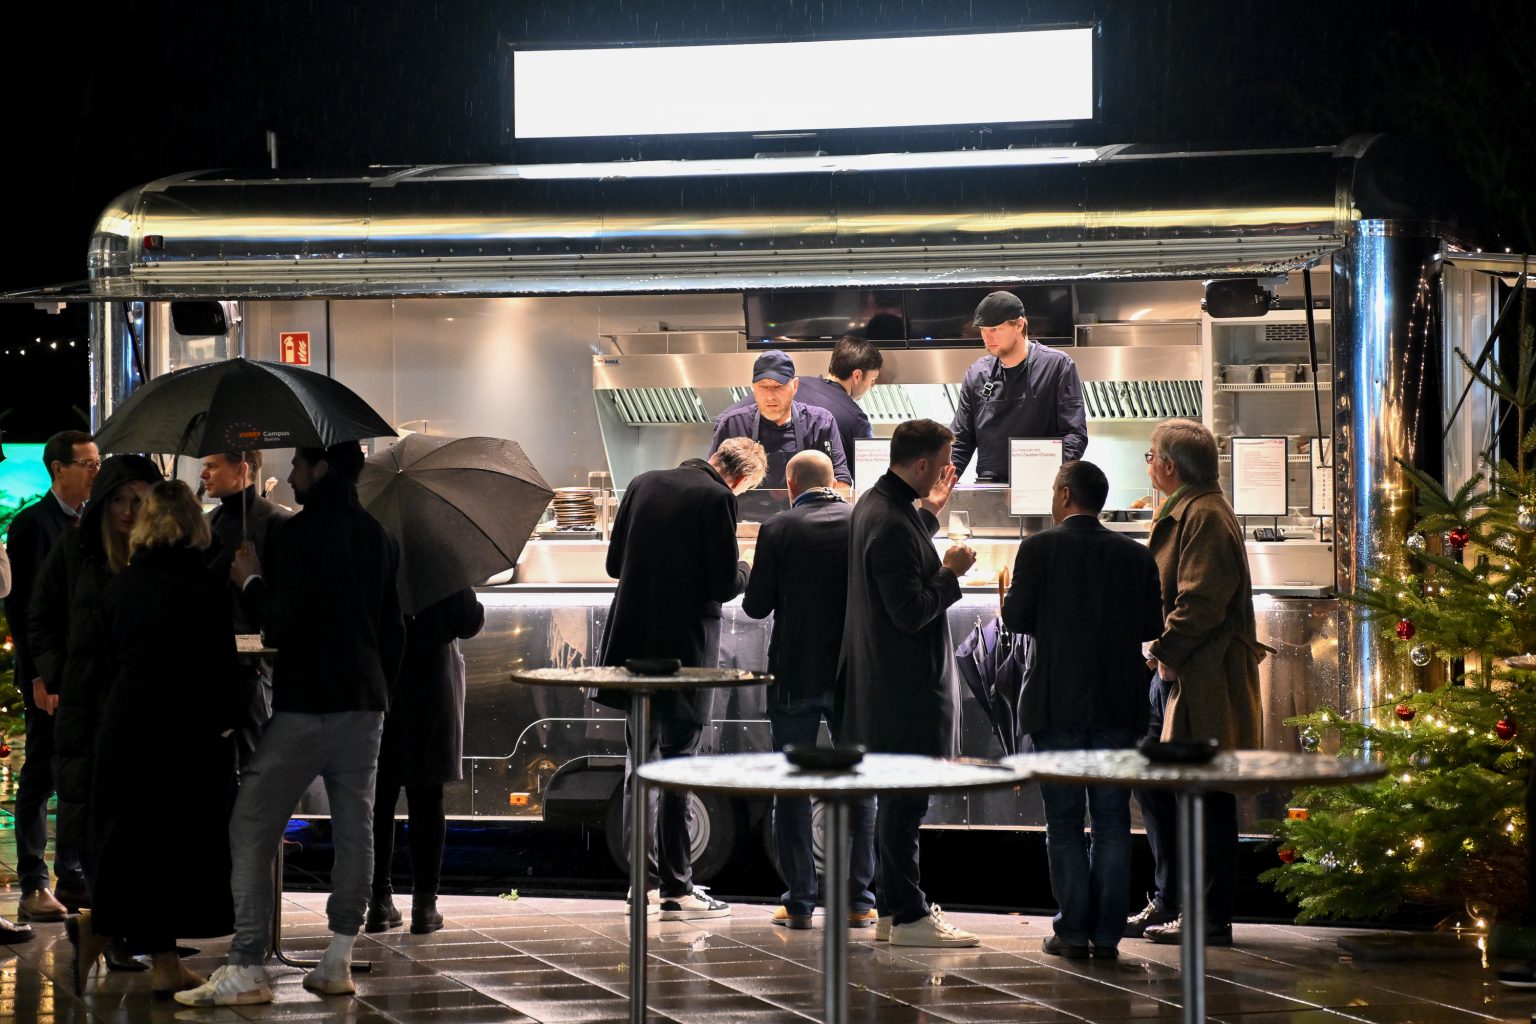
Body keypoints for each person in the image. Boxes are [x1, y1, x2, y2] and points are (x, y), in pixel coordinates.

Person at [178, 441, 403, 1006]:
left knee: (251, 822)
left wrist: (250, 581)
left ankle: (247, 963)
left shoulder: (300, 535)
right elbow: (391, 629)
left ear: (321, 469)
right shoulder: (379, 537)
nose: (293, 475)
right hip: (366, 705)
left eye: (299, 466)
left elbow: (281, 626)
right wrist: (380, 695)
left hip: (308, 704)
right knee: (356, 826)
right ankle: (337, 958)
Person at [593, 437, 767, 921]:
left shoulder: (642, 483)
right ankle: (676, 887)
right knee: (678, 766)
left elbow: (613, 566)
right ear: (740, 478)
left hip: (631, 647)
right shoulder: (718, 499)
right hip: (684, 653)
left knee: (639, 765)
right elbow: (720, 584)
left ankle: (640, 885)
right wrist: (747, 567)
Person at [82, 481, 241, 995]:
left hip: (127, 725)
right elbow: (219, 664)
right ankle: (125, 942)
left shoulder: (122, 584)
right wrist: (230, 722)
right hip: (186, 731)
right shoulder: (206, 585)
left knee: (136, 841)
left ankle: (157, 958)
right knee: (179, 847)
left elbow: (108, 656)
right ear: (197, 523)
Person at [1001, 460, 1163, 960]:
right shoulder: (1135, 556)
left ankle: (1072, 931)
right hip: (1119, 701)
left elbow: (1019, 618)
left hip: (1056, 702)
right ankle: (1108, 934)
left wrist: (1008, 595)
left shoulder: (1038, 549)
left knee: (1065, 820)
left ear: (1066, 494)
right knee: (1113, 818)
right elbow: (1149, 625)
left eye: (1054, 490)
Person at [839, 418, 979, 947]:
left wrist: (932, 516)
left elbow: (899, 558)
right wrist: (951, 573)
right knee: (904, 807)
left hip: (882, 685)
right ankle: (908, 918)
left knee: (895, 804)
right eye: (942, 463)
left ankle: (897, 912)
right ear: (921, 464)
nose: (946, 471)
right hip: (903, 690)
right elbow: (908, 609)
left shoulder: (877, 506)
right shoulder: (892, 521)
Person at [1130, 419, 1267, 948]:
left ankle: (1208, 916)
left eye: (1151, 456)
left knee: (1206, 798)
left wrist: (1164, 653)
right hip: (1177, 673)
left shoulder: (1205, 515)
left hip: (1199, 676)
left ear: (1168, 466)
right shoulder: (1186, 509)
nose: (1149, 464)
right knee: (1156, 784)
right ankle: (1172, 901)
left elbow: (1201, 601)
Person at [30, 454, 163, 973]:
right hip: (89, 701)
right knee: (94, 815)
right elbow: (40, 614)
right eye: (121, 499)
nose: (130, 510)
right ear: (105, 499)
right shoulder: (77, 549)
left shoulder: (156, 553)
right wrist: (59, 674)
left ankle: (117, 927)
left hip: (141, 702)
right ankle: (103, 924)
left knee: (138, 817)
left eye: (141, 500)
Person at [741, 450, 876, 931]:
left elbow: (756, 608)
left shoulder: (777, 529)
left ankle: (799, 903)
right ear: (834, 483)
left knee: (792, 790)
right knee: (862, 787)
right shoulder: (860, 521)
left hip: (794, 674)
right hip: (850, 674)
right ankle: (860, 900)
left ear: (791, 485)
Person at [5, 429, 97, 927]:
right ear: (59, 469)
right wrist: (39, 676)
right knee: (40, 774)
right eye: (86, 464)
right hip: (49, 673)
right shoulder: (33, 525)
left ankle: (72, 875)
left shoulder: (90, 524)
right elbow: (25, 611)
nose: (94, 473)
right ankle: (34, 881)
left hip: (82, 673)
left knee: (77, 775)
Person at [368, 586, 485, 935]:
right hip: (430, 682)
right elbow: (467, 621)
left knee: (378, 798)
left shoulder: (377, 545)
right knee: (427, 796)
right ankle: (424, 905)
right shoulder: (440, 556)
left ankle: (377, 901)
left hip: (380, 680)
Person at [201, 450, 291, 766]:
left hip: (254, 668)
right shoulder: (207, 524)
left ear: (241, 469)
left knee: (255, 762)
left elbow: (284, 604)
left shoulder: (278, 523)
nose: (203, 474)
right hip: (211, 666)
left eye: (211, 466)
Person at [950, 291, 1088, 482]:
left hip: (1041, 490)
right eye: (983, 330)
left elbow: (1074, 434)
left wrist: (1048, 478)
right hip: (990, 491)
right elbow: (961, 440)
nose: (987, 337)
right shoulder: (977, 374)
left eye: (995, 329)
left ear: (1019, 324)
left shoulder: (1057, 366)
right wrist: (943, 481)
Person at [710, 350, 850, 491]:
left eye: (778, 387)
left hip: (804, 512)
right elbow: (711, 480)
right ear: (753, 387)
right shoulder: (732, 424)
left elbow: (841, 483)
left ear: (795, 386)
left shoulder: (820, 424)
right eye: (763, 386)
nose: (770, 396)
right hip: (744, 513)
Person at [792, 336, 883, 462]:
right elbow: (866, 474)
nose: (872, 386)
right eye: (872, 379)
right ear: (857, 376)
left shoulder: (795, 385)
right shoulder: (856, 420)